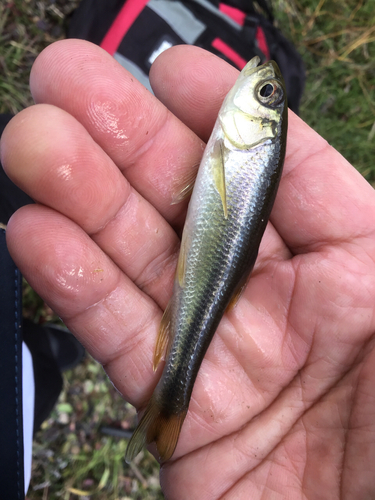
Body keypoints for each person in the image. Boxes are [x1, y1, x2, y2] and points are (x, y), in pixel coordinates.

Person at [1, 39, 375, 499]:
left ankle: (168, 403)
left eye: (265, 96)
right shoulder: (244, 145)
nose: (260, 81)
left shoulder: (249, 147)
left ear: (262, 126)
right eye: (266, 94)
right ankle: (90, 373)